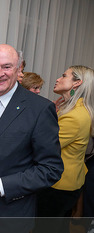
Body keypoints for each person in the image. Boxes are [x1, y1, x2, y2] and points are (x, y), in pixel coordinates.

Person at [0, 44, 63, 233]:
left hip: (9, 216)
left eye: (6, 67)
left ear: (19, 70)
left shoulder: (40, 109)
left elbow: (51, 169)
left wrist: (1, 185)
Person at [35, 65, 94, 233]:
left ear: (77, 83)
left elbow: (46, 145)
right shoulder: (73, 109)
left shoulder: (74, 116)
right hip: (68, 181)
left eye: (64, 76)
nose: (58, 79)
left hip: (59, 184)